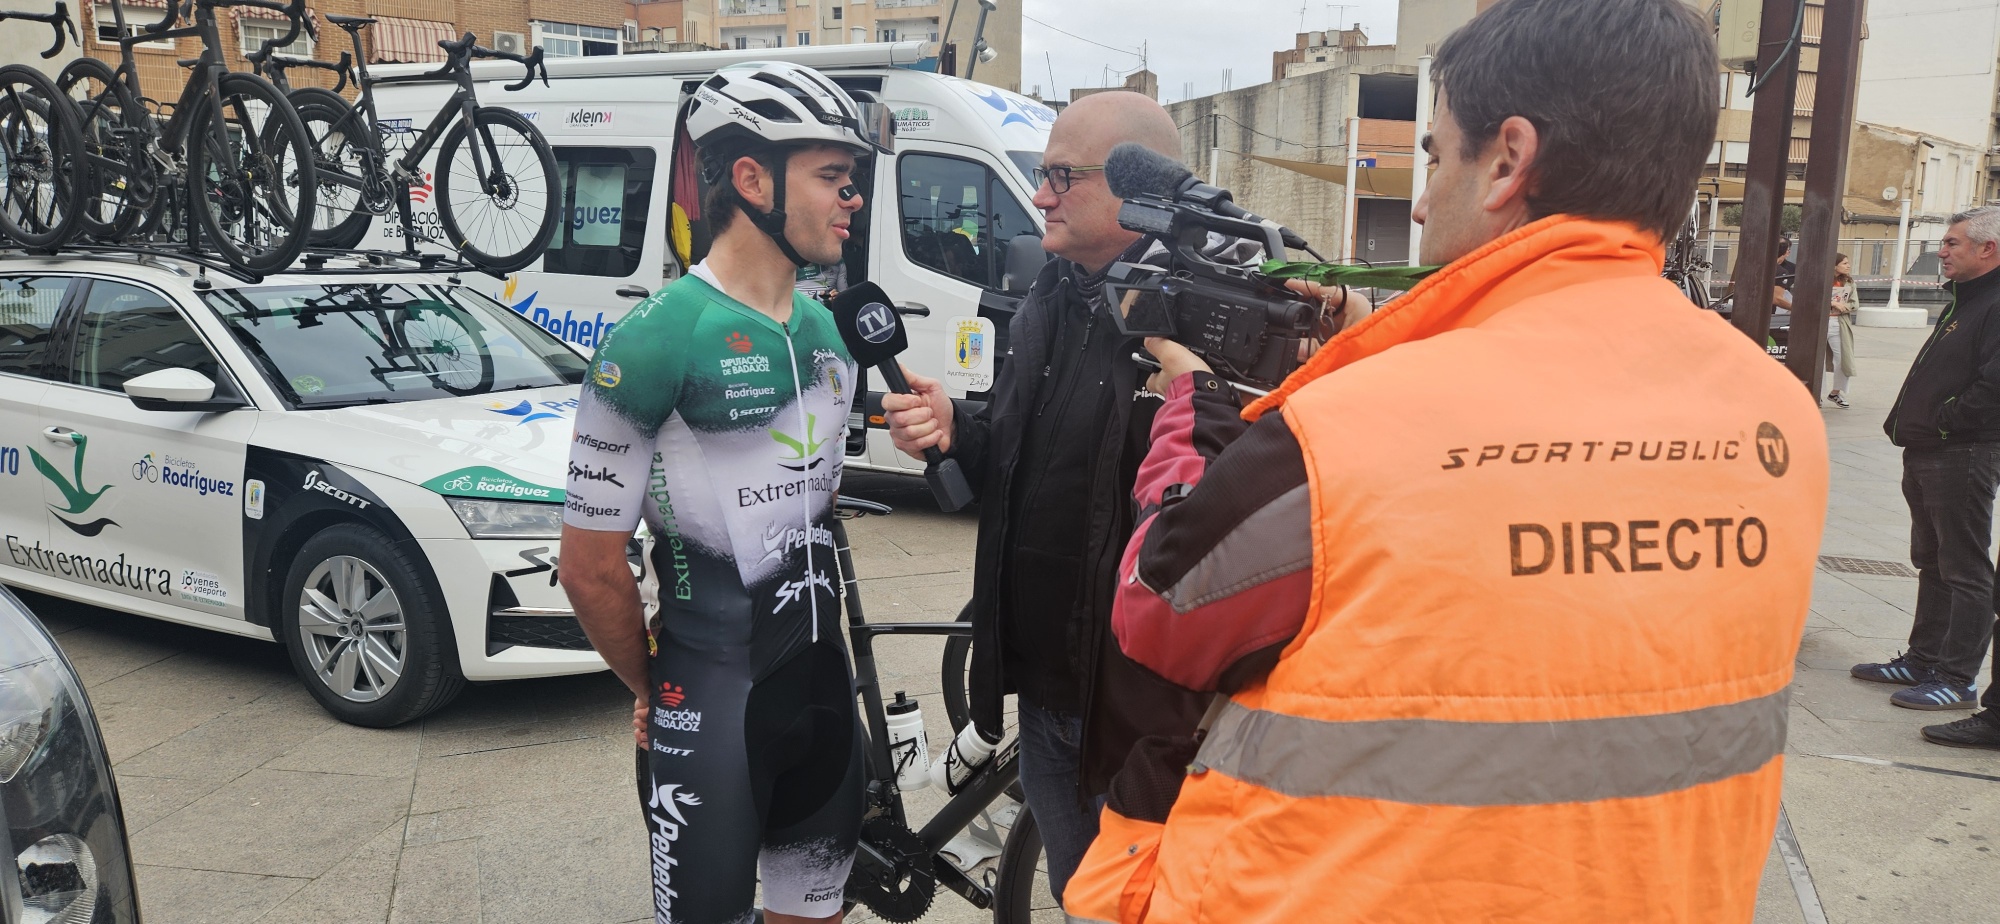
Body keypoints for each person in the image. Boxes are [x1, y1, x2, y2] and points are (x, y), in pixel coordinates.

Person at [1062, 1, 1828, 921]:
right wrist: (1384, 343)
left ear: (1508, 160)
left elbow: (1160, 613)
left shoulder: (1342, 432)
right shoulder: (1779, 414)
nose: (1422, 202)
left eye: (1433, 157)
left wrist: (1194, 408)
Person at [878, 89, 1367, 900]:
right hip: (1046, 686)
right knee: (1078, 893)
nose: (1041, 197)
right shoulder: (1053, 293)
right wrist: (959, 429)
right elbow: (1028, 457)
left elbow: (1263, 503)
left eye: (1061, 177)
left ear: (1140, 189)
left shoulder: (1217, 316)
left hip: (1141, 712)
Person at [558, 61, 877, 924]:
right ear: (751, 180)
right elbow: (588, 566)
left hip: (824, 696)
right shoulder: (655, 340)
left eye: (851, 179)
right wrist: (652, 686)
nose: (852, 199)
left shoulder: (827, 332)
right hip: (710, 709)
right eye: (832, 177)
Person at [1854, 206, 2000, 750]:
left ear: (1988, 249)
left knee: (1965, 567)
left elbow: (1993, 385)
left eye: (1952, 243)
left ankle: (1957, 678)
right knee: (1932, 561)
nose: (1941, 251)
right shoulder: (1966, 299)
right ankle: (1923, 660)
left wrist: (1945, 421)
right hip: (1930, 449)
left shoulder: (1994, 302)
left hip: (1962, 451)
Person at [1825, 252, 1856, 407]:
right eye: (1844, 263)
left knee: (1843, 360)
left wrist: (1845, 306)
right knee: (1817, 361)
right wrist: (1831, 303)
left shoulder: (1849, 282)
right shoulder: (1823, 279)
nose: (1848, 266)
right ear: (1834, 265)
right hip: (1820, 323)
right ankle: (1815, 393)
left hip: (1839, 323)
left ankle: (1836, 392)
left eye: (1848, 263)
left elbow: (1855, 303)